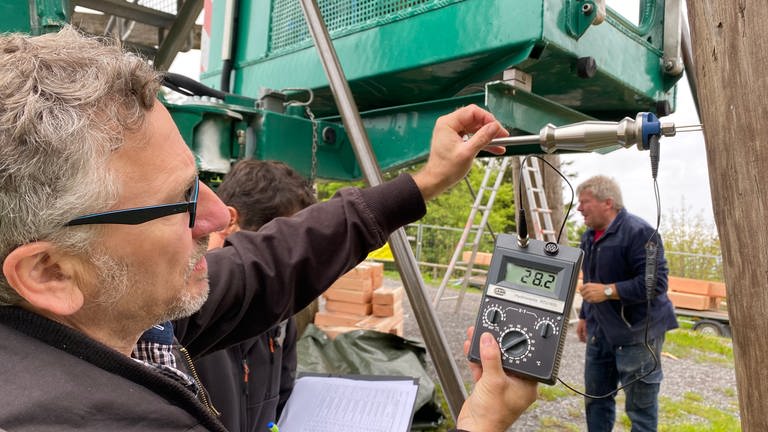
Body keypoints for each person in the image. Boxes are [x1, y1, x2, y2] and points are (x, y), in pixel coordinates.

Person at [0, 27, 536, 432]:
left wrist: (424, 183)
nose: (216, 218)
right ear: (50, 273)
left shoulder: (111, 311)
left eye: (201, 183)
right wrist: (482, 421)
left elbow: (270, 263)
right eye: (179, 201)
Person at [197, 159, 316, 432]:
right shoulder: (181, 311)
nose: (285, 266)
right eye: (273, 249)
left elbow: (282, 402)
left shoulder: (280, 315)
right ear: (230, 221)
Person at [575, 175, 678, 432]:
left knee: (640, 410)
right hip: (601, 331)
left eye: (584, 202)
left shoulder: (640, 232)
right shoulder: (590, 236)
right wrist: (585, 316)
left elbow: (656, 283)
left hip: (638, 333)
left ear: (607, 202)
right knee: (596, 400)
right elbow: (591, 280)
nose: (578, 208)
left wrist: (609, 291)